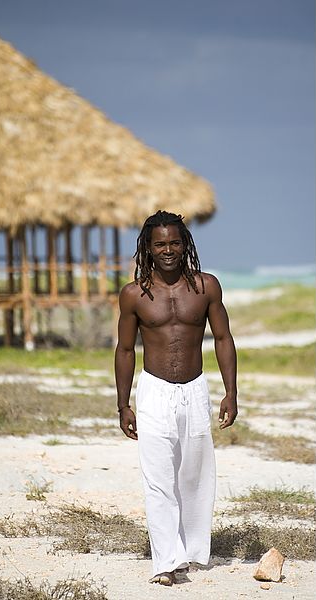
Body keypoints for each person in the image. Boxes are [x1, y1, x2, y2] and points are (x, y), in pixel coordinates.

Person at [114, 210, 237, 586]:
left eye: (174, 243)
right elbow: (124, 350)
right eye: (160, 244)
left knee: (195, 477)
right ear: (148, 249)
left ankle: (191, 552)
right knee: (158, 478)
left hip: (195, 390)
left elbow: (222, 339)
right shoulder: (134, 294)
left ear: (185, 245)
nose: (168, 250)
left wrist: (231, 392)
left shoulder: (206, 286)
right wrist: (123, 404)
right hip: (153, 391)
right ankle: (165, 562)